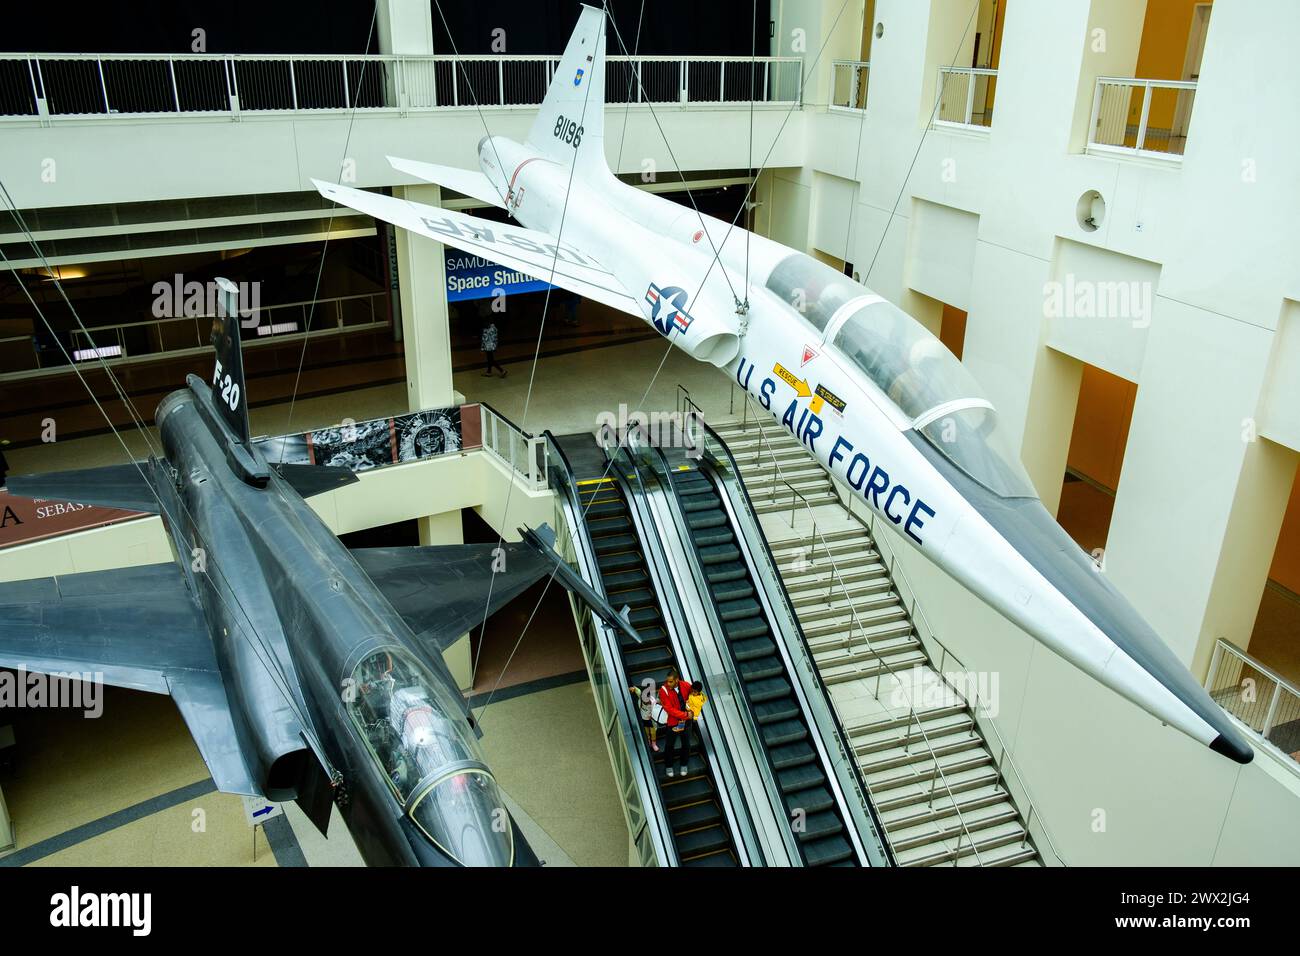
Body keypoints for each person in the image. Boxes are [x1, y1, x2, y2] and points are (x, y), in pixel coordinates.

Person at [658, 669, 694, 779]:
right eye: (667, 681)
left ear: (677, 680)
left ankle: (684, 764)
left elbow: (694, 698)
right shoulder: (663, 691)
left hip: (686, 722)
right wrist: (685, 715)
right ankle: (669, 765)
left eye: (670, 682)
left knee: (686, 744)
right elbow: (669, 709)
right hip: (673, 723)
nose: (668, 684)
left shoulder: (686, 685)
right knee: (670, 745)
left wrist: (692, 711)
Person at [629, 681, 660, 753]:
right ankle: (648, 741)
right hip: (644, 718)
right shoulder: (641, 696)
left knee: (653, 732)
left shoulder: (653, 702)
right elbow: (638, 690)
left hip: (651, 720)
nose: (644, 701)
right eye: (643, 699)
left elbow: (658, 705)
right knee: (646, 731)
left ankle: (654, 743)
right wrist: (633, 688)